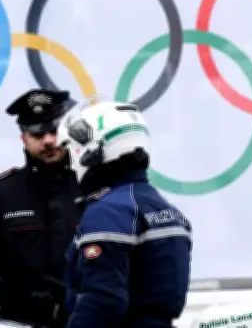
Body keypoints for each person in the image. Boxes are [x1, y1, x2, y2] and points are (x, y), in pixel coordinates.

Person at [56, 100, 193, 328]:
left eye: (71, 151)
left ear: (92, 150)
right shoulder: (166, 209)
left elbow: (101, 301)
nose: (71, 164)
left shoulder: (108, 212)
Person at [0, 89, 84, 327]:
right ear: (23, 139)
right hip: (16, 320)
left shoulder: (89, 190)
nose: (48, 141)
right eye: (37, 134)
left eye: (53, 131)